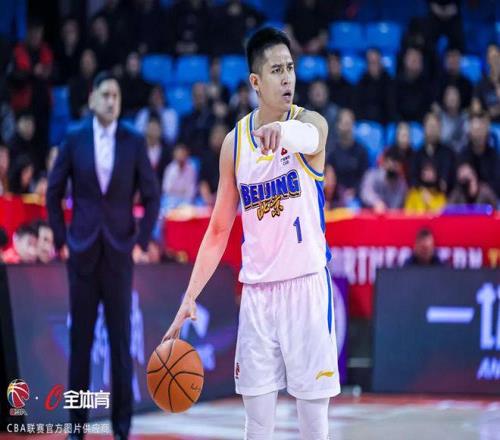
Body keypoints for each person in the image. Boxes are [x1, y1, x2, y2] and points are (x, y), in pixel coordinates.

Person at [163, 27, 340, 439]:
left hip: (306, 289)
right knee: (257, 425)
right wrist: (189, 297)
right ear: (256, 82)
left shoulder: (309, 124)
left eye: (290, 68)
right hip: (258, 296)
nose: (287, 78)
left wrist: (284, 133)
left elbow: (312, 136)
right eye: (277, 70)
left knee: (314, 425)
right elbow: (218, 229)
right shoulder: (235, 144)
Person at [47, 71, 160, 440]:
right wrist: (62, 239)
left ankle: (121, 428)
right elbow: (53, 192)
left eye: (116, 95)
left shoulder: (134, 140)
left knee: (120, 343)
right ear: (92, 99)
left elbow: (152, 195)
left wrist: (141, 241)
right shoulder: (74, 137)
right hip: (81, 252)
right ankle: (76, 427)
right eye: (106, 94)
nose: (111, 101)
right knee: (79, 343)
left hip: (119, 254)